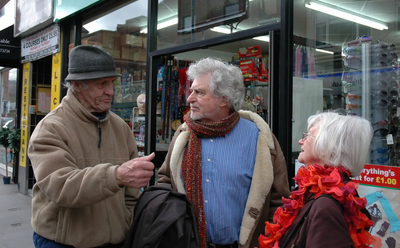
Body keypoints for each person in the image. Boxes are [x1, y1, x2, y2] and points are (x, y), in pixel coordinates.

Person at [28, 45, 155, 248]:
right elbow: (60, 186)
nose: (110, 92)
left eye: (112, 83)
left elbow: (131, 194)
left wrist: (126, 222)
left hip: (116, 241)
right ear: (78, 85)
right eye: (102, 84)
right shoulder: (51, 128)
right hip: (63, 242)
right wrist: (116, 175)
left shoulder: (120, 127)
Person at [156, 57, 291, 248]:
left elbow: (279, 202)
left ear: (224, 99)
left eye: (199, 92)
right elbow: (166, 183)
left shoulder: (259, 139)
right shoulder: (183, 134)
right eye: (191, 90)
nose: (189, 98)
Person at [259, 112, 380, 248]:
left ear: (326, 147)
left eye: (308, 136)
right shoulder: (318, 192)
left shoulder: (326, 207)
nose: (300, 141)